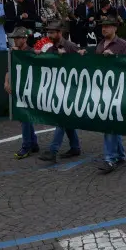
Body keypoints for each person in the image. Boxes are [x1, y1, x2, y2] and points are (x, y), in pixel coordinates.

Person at [38, 21, 86, 163]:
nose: (50, 35)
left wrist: (70, 57)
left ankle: (53, 150)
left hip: (71, 91)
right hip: (58, 91)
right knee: (66, 121)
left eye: (52, 32)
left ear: (60, 33)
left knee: (62, 120)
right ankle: (75, 147)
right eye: (49, 32)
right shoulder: (50, 49)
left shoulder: (70, 46)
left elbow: (82, 65)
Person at [95, 16, 126, 173]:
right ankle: (119, 154)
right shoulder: (99, 45)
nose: (104, 29)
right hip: (103, 90)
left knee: (109, 124)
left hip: (118, 90)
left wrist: (118, 58)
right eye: (103, 26)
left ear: (115, 28)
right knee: (112, 123)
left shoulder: (122, 44)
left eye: (107, 26)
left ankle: (109, 159)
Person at [4, 27, 40, 159]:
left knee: (25, 116)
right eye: (14, 39)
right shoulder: (15, 53)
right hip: (19, 88)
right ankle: (33, 143)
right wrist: (6, 82)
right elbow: (9, 68)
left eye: (17, 38)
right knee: (24, 117)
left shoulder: (30, 51)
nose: (15, 41)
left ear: (24, 39)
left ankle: (27, 145)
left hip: (29, 88)